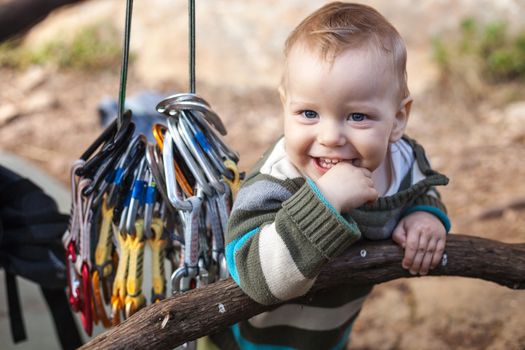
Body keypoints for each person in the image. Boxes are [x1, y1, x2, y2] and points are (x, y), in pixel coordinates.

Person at [214, 2, 451, 349]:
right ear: (285, 106)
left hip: (329, 335)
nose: (330, 137)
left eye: (357, 117)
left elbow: (419, 190)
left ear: (398, 119)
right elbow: (255, 275)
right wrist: (324, 203)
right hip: (246, 340)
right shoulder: (276, 181)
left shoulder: (401, 160)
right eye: (308, 113)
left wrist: (424, 216)